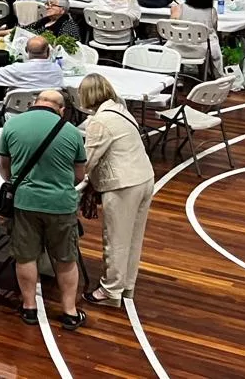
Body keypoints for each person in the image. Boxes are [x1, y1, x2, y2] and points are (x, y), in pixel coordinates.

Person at [0, 89, 88, 331]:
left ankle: (29, 307)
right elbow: (79, 175)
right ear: (62, 109)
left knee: (25, 256)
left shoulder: (12, 125)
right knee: (66, 258)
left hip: (25, 202)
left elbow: (5, 169)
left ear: (34, 103)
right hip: (61, 204)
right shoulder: (72, 132)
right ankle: (69, 311)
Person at [68, 74, 150, 311]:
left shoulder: (100, 122)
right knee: (133, 238)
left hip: (122, 185)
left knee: (115, 240)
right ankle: (126, 286)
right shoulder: (121, 110)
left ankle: (110, 290)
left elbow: (86, 162)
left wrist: (69, 182)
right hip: (144, 178)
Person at [170, 0, 221, 71]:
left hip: (177, 48)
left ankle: (179, 73)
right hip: (202, 51)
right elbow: (214, 30)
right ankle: (206, 73)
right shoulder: (212, 12)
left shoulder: (177, 9)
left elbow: (171, 28)